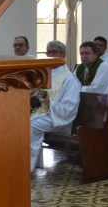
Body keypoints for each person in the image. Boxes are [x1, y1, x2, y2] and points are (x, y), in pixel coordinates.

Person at [31, 40, 80, 170]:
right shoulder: (43, 75)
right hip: (40, 114)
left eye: (54, 52)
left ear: (63, 55)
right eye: (49, 52)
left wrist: (50, 104)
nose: (50, 55)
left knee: (30, 126)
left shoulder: (70, 79)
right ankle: (33, 163)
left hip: (57, 118)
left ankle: (28, 166)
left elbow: (70, 107)